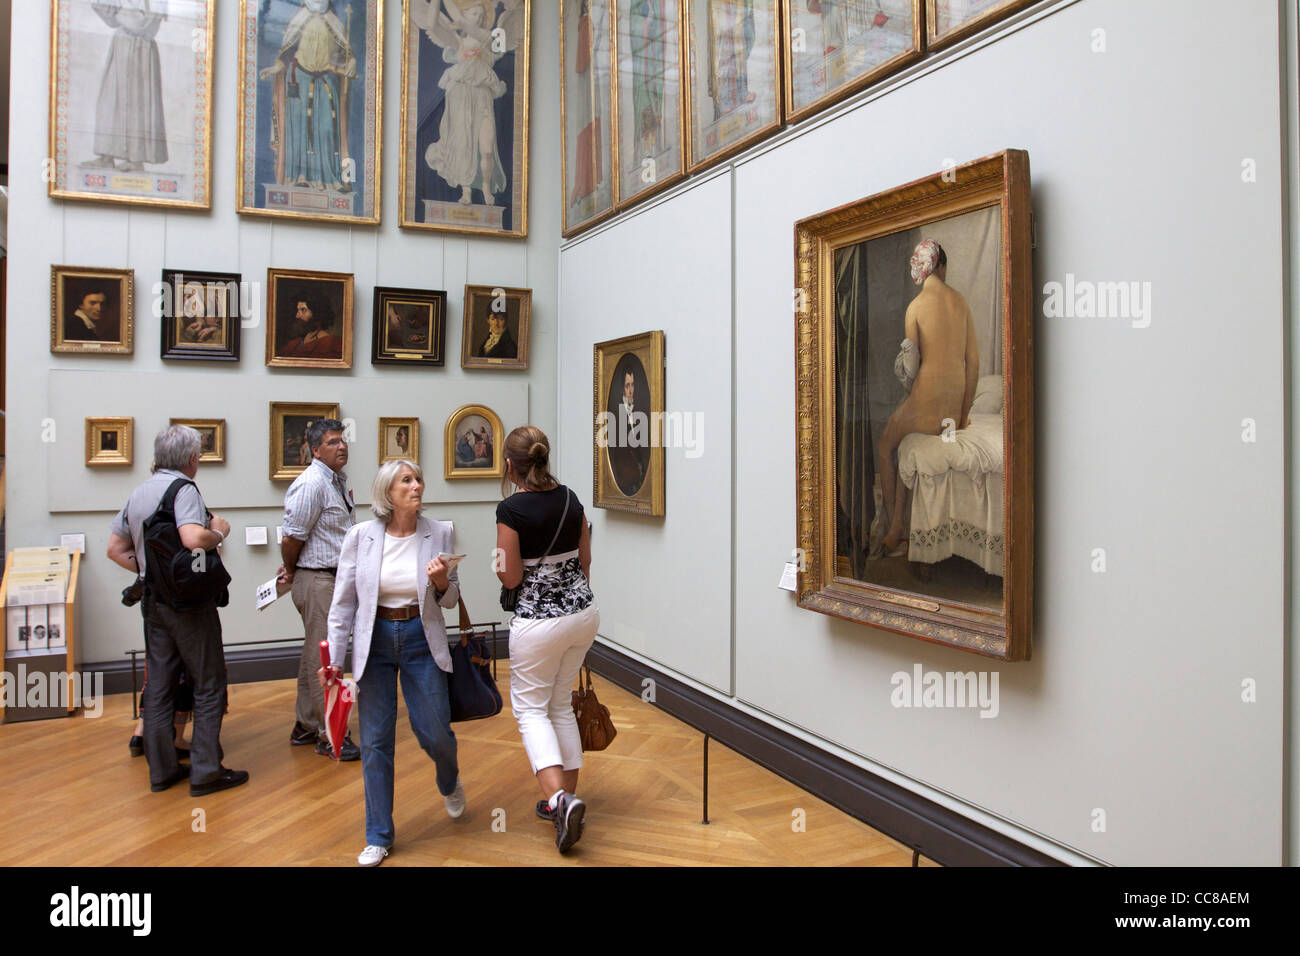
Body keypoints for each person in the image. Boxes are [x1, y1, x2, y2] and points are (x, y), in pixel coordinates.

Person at [322, 459, 466, 866]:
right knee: (376, 741)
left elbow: (451, 598)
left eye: (419, 478)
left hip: (422, 638)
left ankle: (449, 778)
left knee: (435, 731)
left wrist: (440, 581)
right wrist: (334, 661)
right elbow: (343, 604)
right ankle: (378, 835)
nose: (417, 485)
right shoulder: (360, 537)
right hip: (376, 641)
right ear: (389, 492)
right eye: (407, 480)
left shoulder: (440, 531)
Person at [107, 425, 248, 796]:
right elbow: (192, 538)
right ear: (191, 459)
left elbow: (115, 549)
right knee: (209, 681)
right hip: (188, 606)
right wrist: (219, 531)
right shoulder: (183, 489)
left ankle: (162, 771)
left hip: (153, 603)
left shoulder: (139, 492)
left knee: (159, 685)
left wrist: (151, 575)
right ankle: (206, 771)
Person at [495, 426, 599, 854]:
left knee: (532, 711)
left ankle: (559, 799)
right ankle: (565, 800)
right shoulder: (571, 498)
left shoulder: (511, 509)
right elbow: (586, 558)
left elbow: (509, 574)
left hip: (537, 625)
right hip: (583, 616)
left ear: (509, 465)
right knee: (559, 704)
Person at [877, 239, 979, 556]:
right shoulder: (961, 302)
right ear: (942, 267)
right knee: (908, 442)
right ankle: (901, 528)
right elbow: (972, 364)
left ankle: (895, 528)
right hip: (950, 412)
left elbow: (909, 367)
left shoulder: (916, 307)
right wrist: (962, 415)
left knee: (886, 446)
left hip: (925, 407)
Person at [279, 419, 360, 760]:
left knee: (315, 652)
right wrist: (292, 569)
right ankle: (330, 735)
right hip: (318, 579)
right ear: (315, 450)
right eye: (332, 442)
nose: (341, 446)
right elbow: (291, 537)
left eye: (342, 441)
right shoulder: (311, 484)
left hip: (332, 578)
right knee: (325, 658)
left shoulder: (335, 481)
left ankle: (306, 724)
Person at [416, 0, 521, 207]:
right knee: (463, 144)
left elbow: (482, 35)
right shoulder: (458, 42)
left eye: (481, 15)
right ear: (466, 14)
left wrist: (464, 21)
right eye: (474, 14)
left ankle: (486, 189)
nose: (479, 18)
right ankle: (466, 192)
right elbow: (432, 23)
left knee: (487, 147)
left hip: (482, 97)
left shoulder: (491, 39)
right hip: (460, 95)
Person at [259, 0, 356, 192]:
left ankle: (332, 180)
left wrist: (350, 63)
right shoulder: (300, 18)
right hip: (299, 79)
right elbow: (287, 51)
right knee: (300, 131)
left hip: (327, 81)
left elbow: (345, 55)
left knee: (328, 130)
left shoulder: (334, 22)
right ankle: (298, 177)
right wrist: (276, 67)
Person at [86, 0, 168, 172]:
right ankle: (106, 155)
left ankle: (136, 159)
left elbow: (142, 24)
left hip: (140, 49)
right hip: (121, 45)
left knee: (136, 104)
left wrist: (117, 12)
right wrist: (104, 7)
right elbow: (112, 21)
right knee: (110, 99)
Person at [608, 369, 649, 496]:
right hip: (625, 479)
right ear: (622, 388)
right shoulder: (615, 412)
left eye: (632, 385)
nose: (631, 390)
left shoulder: (638, 408)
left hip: (639, 477)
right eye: (627, 386)